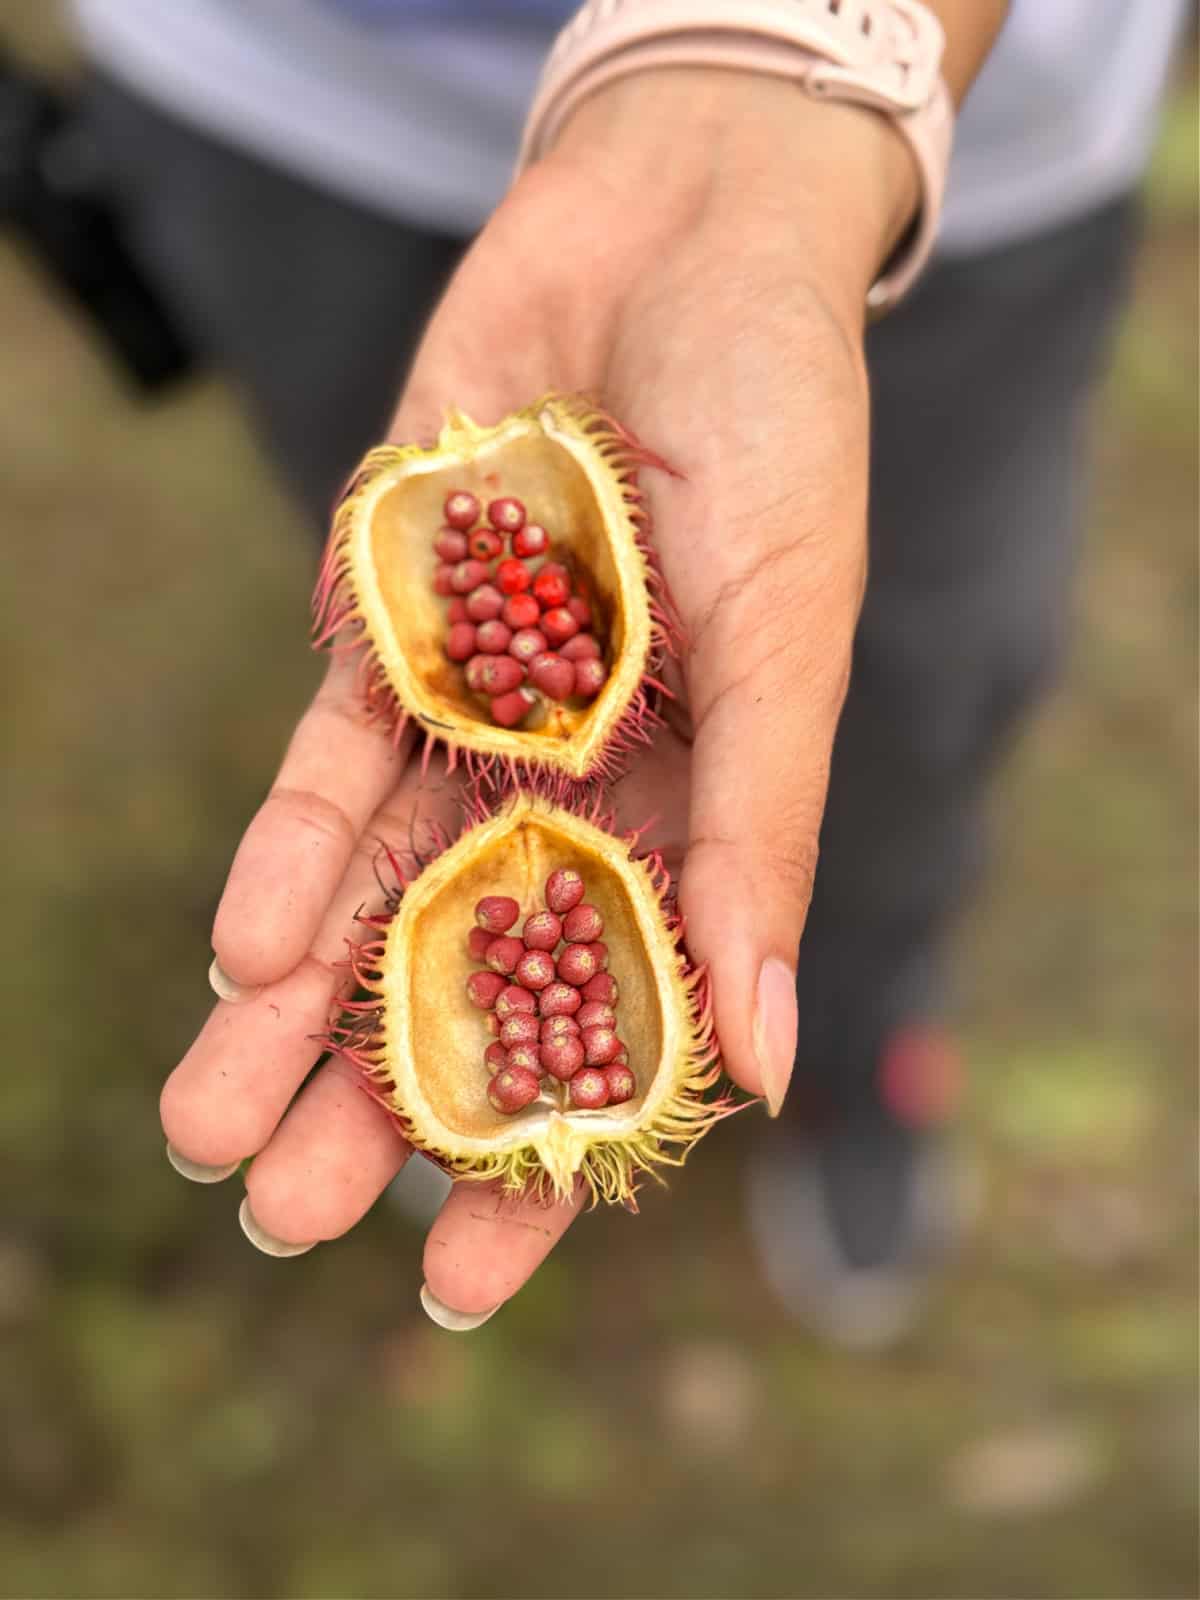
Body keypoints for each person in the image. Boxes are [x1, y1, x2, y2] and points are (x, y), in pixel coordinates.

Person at [73, 0, 1186, 1339]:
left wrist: (780, 54)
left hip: (930, 102)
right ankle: (750, 1058)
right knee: (356, 486)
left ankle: (850, 1050)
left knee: (910, 682)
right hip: (286, 94)